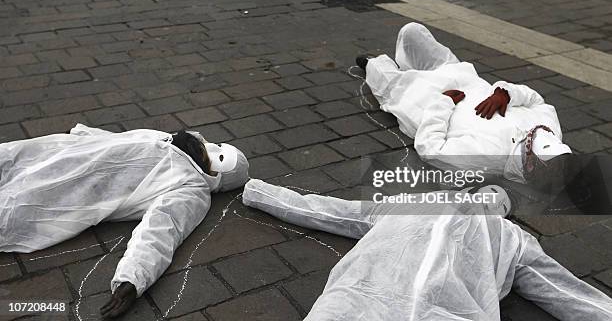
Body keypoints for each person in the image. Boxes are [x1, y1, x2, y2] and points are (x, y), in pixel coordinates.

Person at [242, 179, 612, 320]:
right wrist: (259, 192)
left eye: (502, 204)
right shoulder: (407, 202)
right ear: (472, 189)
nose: (493, 203)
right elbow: (333, 211)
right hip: (362, 296)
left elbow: (559, 288)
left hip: (449, 311)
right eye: (492, 193)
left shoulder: (510, 238)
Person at [0, 124, 249, 318]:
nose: (211, 148)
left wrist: (133, 278)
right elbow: (121, 139)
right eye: (218, 145)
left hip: (63, 193)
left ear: (217, 178)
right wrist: (83, 134)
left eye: (221, 158)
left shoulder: (191, 188)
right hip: (54, 154)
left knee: (11, 208)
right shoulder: (168, 138)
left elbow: (163, 228)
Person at [357, 22, 573, 185]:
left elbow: (431, 149)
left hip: (424, 97)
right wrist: (505, 93)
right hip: (461, 76)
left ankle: (371, 65)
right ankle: (405, 64)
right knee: (412, 31)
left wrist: (443, 103)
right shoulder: (550, 131)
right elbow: (537, 100)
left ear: (531, 161)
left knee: (386, 79)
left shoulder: (485, 161)